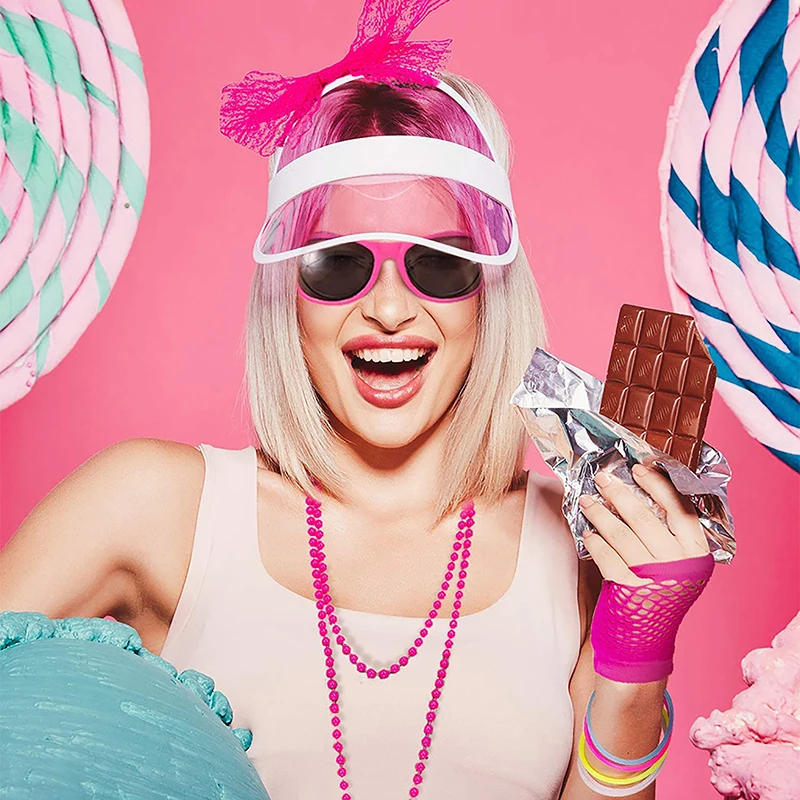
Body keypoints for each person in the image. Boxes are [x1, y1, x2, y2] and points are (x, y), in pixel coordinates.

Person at [0, 1, 715, 798]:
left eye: (438, 264)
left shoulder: (581, 552)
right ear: (289, 292)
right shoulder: (157, 507)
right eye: (338, 264)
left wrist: (635, 653)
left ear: (490, 293)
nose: (387, 309)